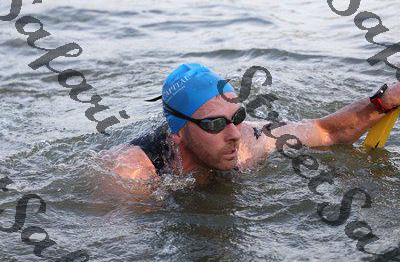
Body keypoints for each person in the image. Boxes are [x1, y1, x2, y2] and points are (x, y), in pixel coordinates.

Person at [110, 62, 400, 186]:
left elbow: (327, 132)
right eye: (215, 124)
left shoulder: (250, 139)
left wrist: (382, 102)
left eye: (237, 117)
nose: (234, 134)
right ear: (178, 133)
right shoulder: (134, 172)